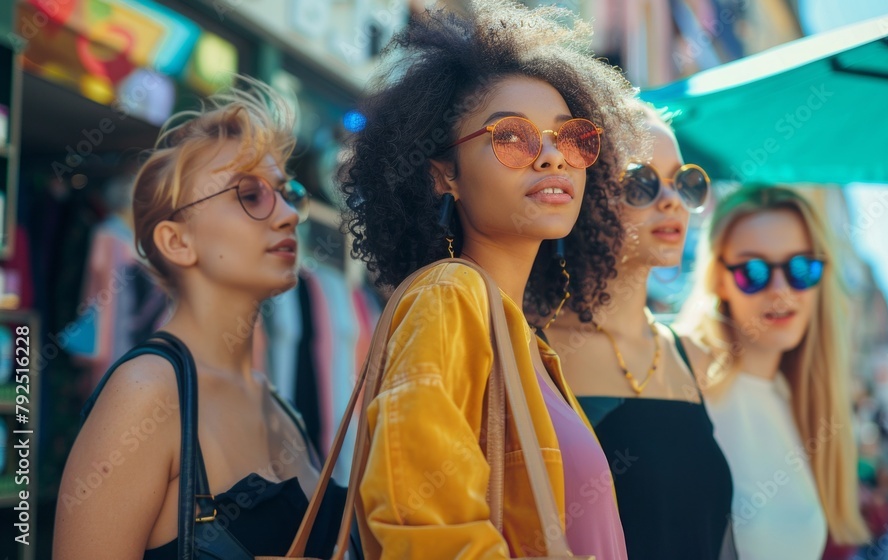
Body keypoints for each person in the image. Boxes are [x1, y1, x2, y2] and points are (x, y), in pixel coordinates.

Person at [339, 1, 647, 558]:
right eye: (513, 137)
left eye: (570, 137)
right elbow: (421, 522)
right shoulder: (448, 299)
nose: (553, 158)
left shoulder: (527, 344)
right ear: (444, 175)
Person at [53, 78, 344, 559]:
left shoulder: (279, 405)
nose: (289, 214)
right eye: (249, 195)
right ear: (177, 242)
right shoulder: (148, 393)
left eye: (287, 192)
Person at [542, 105, 736, 559]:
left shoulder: (694, 356)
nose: (671, 201)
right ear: (583, 194)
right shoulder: (538, 351)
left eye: (684, 182)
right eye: (640, 182)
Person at [675, 186, 870, 559]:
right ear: (718, 278)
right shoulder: (675, 369)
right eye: (754, 271)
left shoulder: (804, 402)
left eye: (801, 269)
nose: (781, 291)